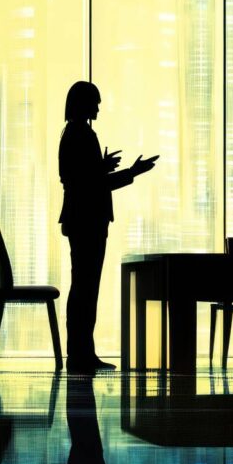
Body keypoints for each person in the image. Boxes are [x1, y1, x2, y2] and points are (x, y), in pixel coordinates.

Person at [59, 81, 157, 373]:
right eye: (95, 102)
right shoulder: (83, 134)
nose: (98, 108)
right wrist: (132, 173)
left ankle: (80, 353)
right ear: (84, 104)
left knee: (83, 288)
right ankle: (81, 355)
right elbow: (90, 184)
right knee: (86, 290)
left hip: (80, 219)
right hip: (88, 219)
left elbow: (79, 177)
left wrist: (100, 166)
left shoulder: (72, 133)